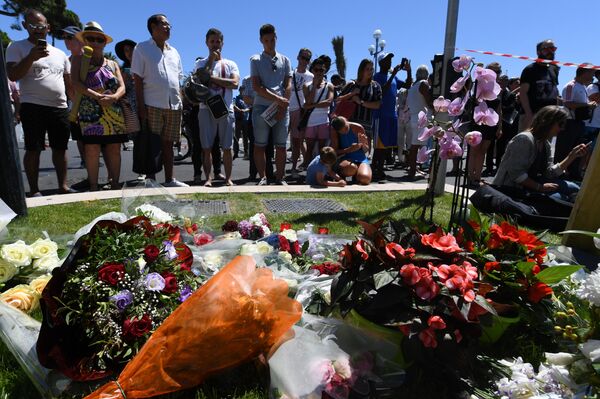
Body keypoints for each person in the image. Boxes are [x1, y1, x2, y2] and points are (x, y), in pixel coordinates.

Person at [6, 9, 74, 197]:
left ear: (48, 27)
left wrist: (73, 105)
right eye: (32, 25)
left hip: (59, 107)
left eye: (41, 26)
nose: (37, 29)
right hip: (32, 106)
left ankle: (63, 186)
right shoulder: (16, 47)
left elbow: (68, 85)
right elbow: (13, 75)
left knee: (60, 149)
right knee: (33, 148)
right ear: (25, 26)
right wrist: (31, 57)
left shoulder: (60, 53)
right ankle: (34, 190)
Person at [131, 14, 188, 187]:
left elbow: (178, 79)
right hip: (152, 104)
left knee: (169, 143)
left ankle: (170, 179)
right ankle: (151, 181)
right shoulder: (141, 48)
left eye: (169, 25)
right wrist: (141, 106)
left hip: (174, 104)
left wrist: (181, 101)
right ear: (153, 27)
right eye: (164, 24)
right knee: (152, 144)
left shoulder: (174, 52)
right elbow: (138, 79)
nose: (168, 27)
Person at [71, 22, 127, 192]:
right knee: (92, 149)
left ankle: (115, 183)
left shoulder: (112, 64)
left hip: (113, 112)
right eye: (90, 38)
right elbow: (76, 83)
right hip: (90, 113)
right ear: (84, 41)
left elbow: (122, 86)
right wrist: (97, 96)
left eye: (99, 39)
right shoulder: (78, 60)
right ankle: (94, 186)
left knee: (114, 149)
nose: (95, 42)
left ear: (104, 42)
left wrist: (114, 97)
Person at [493, 105, 588, 202]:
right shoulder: (524, 139)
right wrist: (540, 187)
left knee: (575, 188)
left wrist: (571, 156)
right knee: (562, 199)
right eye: (560, 124)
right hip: (511, 189)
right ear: (548, 122)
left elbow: (549, 173)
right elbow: (517, 175)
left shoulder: (545, 143)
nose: (562, 128)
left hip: (532, 185)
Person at [193, 28, 240, 187]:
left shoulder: (231, 64)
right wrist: (210, 62)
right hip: (206, 109)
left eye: (217, 41)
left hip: (226, 109)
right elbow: (200, 81)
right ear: (206, 43)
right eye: (212, 41)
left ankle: (228, 178)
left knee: (227, 147)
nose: (215, 44)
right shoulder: (200, 63)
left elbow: (234, 84)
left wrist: (211, 78)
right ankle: (208, 178)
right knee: (206, 147)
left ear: (222, 43)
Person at [250, 24, 292, 186]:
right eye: (266, 40)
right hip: (261, 107)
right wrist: (278, 100)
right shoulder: (255, 60)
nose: (270, 43)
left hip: (282, 108)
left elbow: (288, 85)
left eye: (272, 39)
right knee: (260, 144)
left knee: (281, 146)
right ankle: (263, 177)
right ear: (261, 40)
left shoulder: (285, 60)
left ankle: (280, 178)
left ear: (276, 38)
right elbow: (256, 87)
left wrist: (283, 104)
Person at [372, 52, 412, 181]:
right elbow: (382, 91)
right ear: (380, 63)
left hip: (391, 115)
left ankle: (380, 169)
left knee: (386, 146)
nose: (389, 62)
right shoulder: (377, 77)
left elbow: (407, 85)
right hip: (380, 115)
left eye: (390, 60)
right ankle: (374, 168)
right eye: (387, 60)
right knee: (379, 145)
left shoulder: (393, 77)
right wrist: (393, 74)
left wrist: (408, 71)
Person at [555, 65, 597, 180]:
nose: (593, 76)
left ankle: (573, 175)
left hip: (579, 123)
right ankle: (558, 175)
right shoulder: (571, 86)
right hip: (569, 123)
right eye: (591, 73)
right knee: (563, 150)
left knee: (578, 151)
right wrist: (587, 105)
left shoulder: (582, 87)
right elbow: (567, 103)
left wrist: (588, 105)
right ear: (584, 73)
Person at [468, 62, 503, 187]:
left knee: (483, 151)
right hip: (477, 121)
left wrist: (499, 126)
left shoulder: (497, 87)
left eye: (498, 71)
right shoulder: (478, 83)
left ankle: (477, 177)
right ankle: (470, 177)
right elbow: (474, 100)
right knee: (474, 150)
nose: (496, 74)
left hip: (490, 123)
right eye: (494, 71)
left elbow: (499, 109)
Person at [337, 59, 382, 143]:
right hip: (349, 122)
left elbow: (377, 104)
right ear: (361, 70)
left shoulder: (375, 86)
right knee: (348, 150)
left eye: (371, 69)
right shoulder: (352, 84)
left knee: (363, 152)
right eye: (367, 69)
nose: (370, 71)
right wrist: (351, 94)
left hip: (366, 124)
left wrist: (361, 102)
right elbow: (338, 100)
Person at [519, 39, 560, 130]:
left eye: (553, 49)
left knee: (545, 143)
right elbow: (523, 92)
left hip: (549, 116)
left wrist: (556, 113)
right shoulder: (530, 69)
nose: (550, 51)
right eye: (546, 49)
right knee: (526, 142)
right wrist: (528, 114)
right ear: (538, 52)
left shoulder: (554, 69)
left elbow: (555, 91)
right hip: (532, 115)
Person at [302, 57, 334, 165]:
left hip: (324, 122)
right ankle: (307, 170)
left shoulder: (329, 86)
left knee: (323, 149)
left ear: (325, 71)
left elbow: (329, 102)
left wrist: (312, 105)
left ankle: (321, 170)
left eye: (321, 70)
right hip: (311, 122)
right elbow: (308, 101)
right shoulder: (307, 86)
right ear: (312, 71)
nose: (319, 72)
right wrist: (314, 86)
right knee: (309, 148)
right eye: (316, 70)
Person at [405, 65, 433, 180]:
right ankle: (413, 170)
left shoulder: (412, 87)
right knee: (416, 146)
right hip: (422, 118)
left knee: (414, 146)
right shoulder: (423, 84)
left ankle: (413, 169)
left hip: (414, 117)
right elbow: (429, 101)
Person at [289, 48, 313, 177]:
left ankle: (294, 168)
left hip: (300, 110)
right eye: (303, 58)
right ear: (298, 57)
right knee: (287, 141)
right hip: (288, 108)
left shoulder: (310, 76)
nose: (304, 61)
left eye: (307, 59)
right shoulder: (290, 73)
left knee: (297, 141)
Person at [330, 116, 372, 185]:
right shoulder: (334, 131)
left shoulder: (358, 127)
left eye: (346, 128)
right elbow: (334, 152)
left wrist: (364, 144)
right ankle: (341, 174)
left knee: (365, 179)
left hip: (360, 158)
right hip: (345, 158)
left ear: (347, 121)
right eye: (342, 131)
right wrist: (349, 150)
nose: (345, 131)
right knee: (350, 168)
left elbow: (365, 150)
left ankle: (357, 175)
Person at [115, 38, 138, 152]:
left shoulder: (145, 67)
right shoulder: (124, 71)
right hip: (133, 111)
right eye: (126, 51)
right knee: (139, 143)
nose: (129, 53)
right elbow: (121, 91)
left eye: (131, 49)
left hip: (148, 108)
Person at [233, 87, 250, 159]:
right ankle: (235, 152)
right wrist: (239, 110)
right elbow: (233, 105)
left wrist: (245, 110)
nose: (242, 91)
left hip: (245, 120)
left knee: (245, 137)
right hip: (238, 120)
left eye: (244, 90)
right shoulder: (236, 98)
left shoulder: (247, 98)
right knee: (236, 136)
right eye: (241, 90)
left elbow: (250, 107)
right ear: (239, 90)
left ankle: (246, 152)